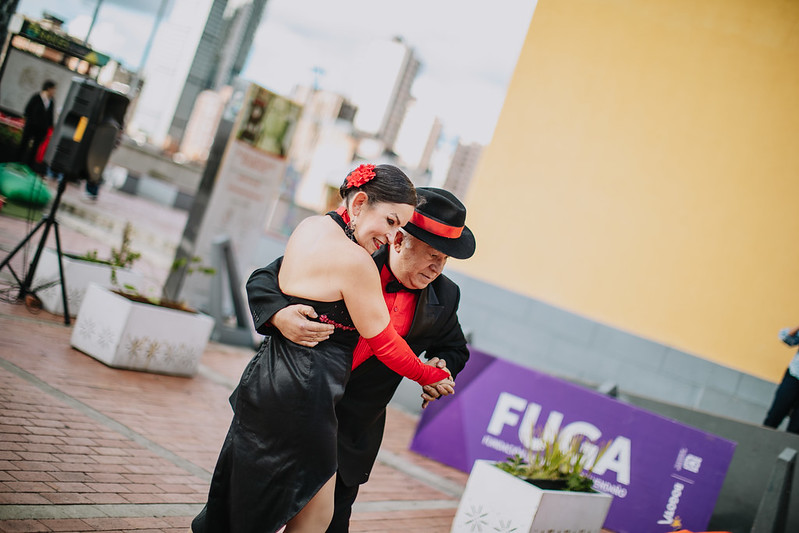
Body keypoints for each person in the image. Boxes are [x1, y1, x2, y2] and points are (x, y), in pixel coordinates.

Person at [192, 164, 453, 533]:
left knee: (251, 502)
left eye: (401, 227)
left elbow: (452, 344)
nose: (393, 235)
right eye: (391, 221)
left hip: (272, 379)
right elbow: (387, 345)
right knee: (306, 518)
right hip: (307, 391)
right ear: (360, 202)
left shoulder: (310, 227)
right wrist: (431, 375)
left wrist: (445, 365)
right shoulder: (357, 260)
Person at [247, 187, 476, 532]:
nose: (437, 267)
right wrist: (279, 315)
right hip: (292, 406)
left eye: (444, 260)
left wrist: (442, 366)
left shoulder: (445, 296)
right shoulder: (352, 255)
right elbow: (265, 279)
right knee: (251, 514)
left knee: (327, 525)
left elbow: (455, 347)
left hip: (349, 433)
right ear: (398, 240)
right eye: (432, 254)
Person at [763, 324, 799, 433]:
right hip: (793, 377)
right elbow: (785, 337)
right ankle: (759, 443)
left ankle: (789, 449)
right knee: (775, 415)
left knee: (796, 428)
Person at [17, 80, 56, 169]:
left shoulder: (51, 101)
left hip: (41, 130)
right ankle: (17, 162)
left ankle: (29, 166)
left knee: (35, 148)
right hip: (31, 126)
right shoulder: (37, 97)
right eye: (53, 89)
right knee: (24, 144)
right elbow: (28, 110)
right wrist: (29, 121)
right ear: (48, 89)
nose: (54, 92)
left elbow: (50, 116)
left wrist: (49, 128)